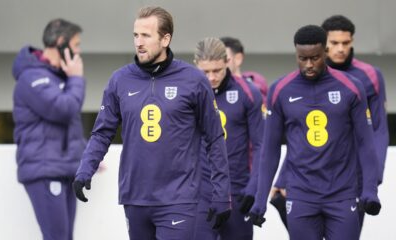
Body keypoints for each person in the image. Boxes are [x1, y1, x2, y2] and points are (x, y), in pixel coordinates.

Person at [72, 6, 231, 240]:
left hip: (179, 199)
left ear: (165, 39)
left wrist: (221, 193)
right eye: (136, 35)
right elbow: (102, 132)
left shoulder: (194, 81)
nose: (139, 42)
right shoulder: (119, 80)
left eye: (146, 35)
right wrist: (85, 169)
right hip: (135, 198)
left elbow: (214, 138)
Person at [249, 25, 381, 240]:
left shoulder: (352, 87)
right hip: (301, 196)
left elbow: (366, 142)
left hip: (342, 194)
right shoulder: (280, 89)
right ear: (296, 54)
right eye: (303, 58)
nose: (309, 65)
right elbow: (270, 149)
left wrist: (370, 189)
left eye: (315, 58)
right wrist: (260, 198)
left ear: (325, 52)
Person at [12, 19, 85, 240]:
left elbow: (67, 127)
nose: (79, 51)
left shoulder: (56, 77)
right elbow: (62, 110)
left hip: (63, 170)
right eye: (77, 44)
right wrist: (76, 78)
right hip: (44, 170)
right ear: (62, 42)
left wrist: (87, 153)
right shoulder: (32, 77)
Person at [193, 38, 264, 240]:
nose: (212, 77)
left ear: (227, 62)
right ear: (196, 64)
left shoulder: (248, 93)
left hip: (237, 192)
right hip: (201, 193)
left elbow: (261, 145)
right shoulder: (190, 93)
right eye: (205, 72)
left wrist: (254, 186)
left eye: (217, 70)